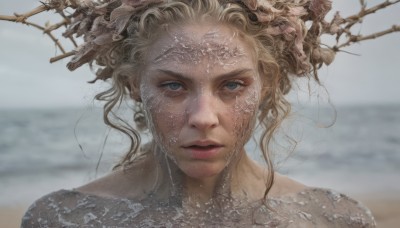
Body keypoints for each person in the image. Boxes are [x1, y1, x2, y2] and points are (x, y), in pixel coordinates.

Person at [17, 0, 376, 227]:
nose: (204, 117)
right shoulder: (61, 219)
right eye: (174, 86)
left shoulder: (337, 219)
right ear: (133, 86)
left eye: (232, 85)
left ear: (267, 84)